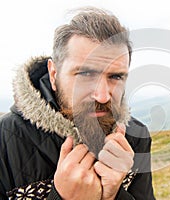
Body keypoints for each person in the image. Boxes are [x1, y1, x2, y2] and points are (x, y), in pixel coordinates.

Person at [0, 7, 155, 200]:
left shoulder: (136, 138)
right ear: (54, 74)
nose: (102, 96)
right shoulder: (4, 141)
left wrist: (114, 195)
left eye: (115, 76)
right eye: (85, 74)